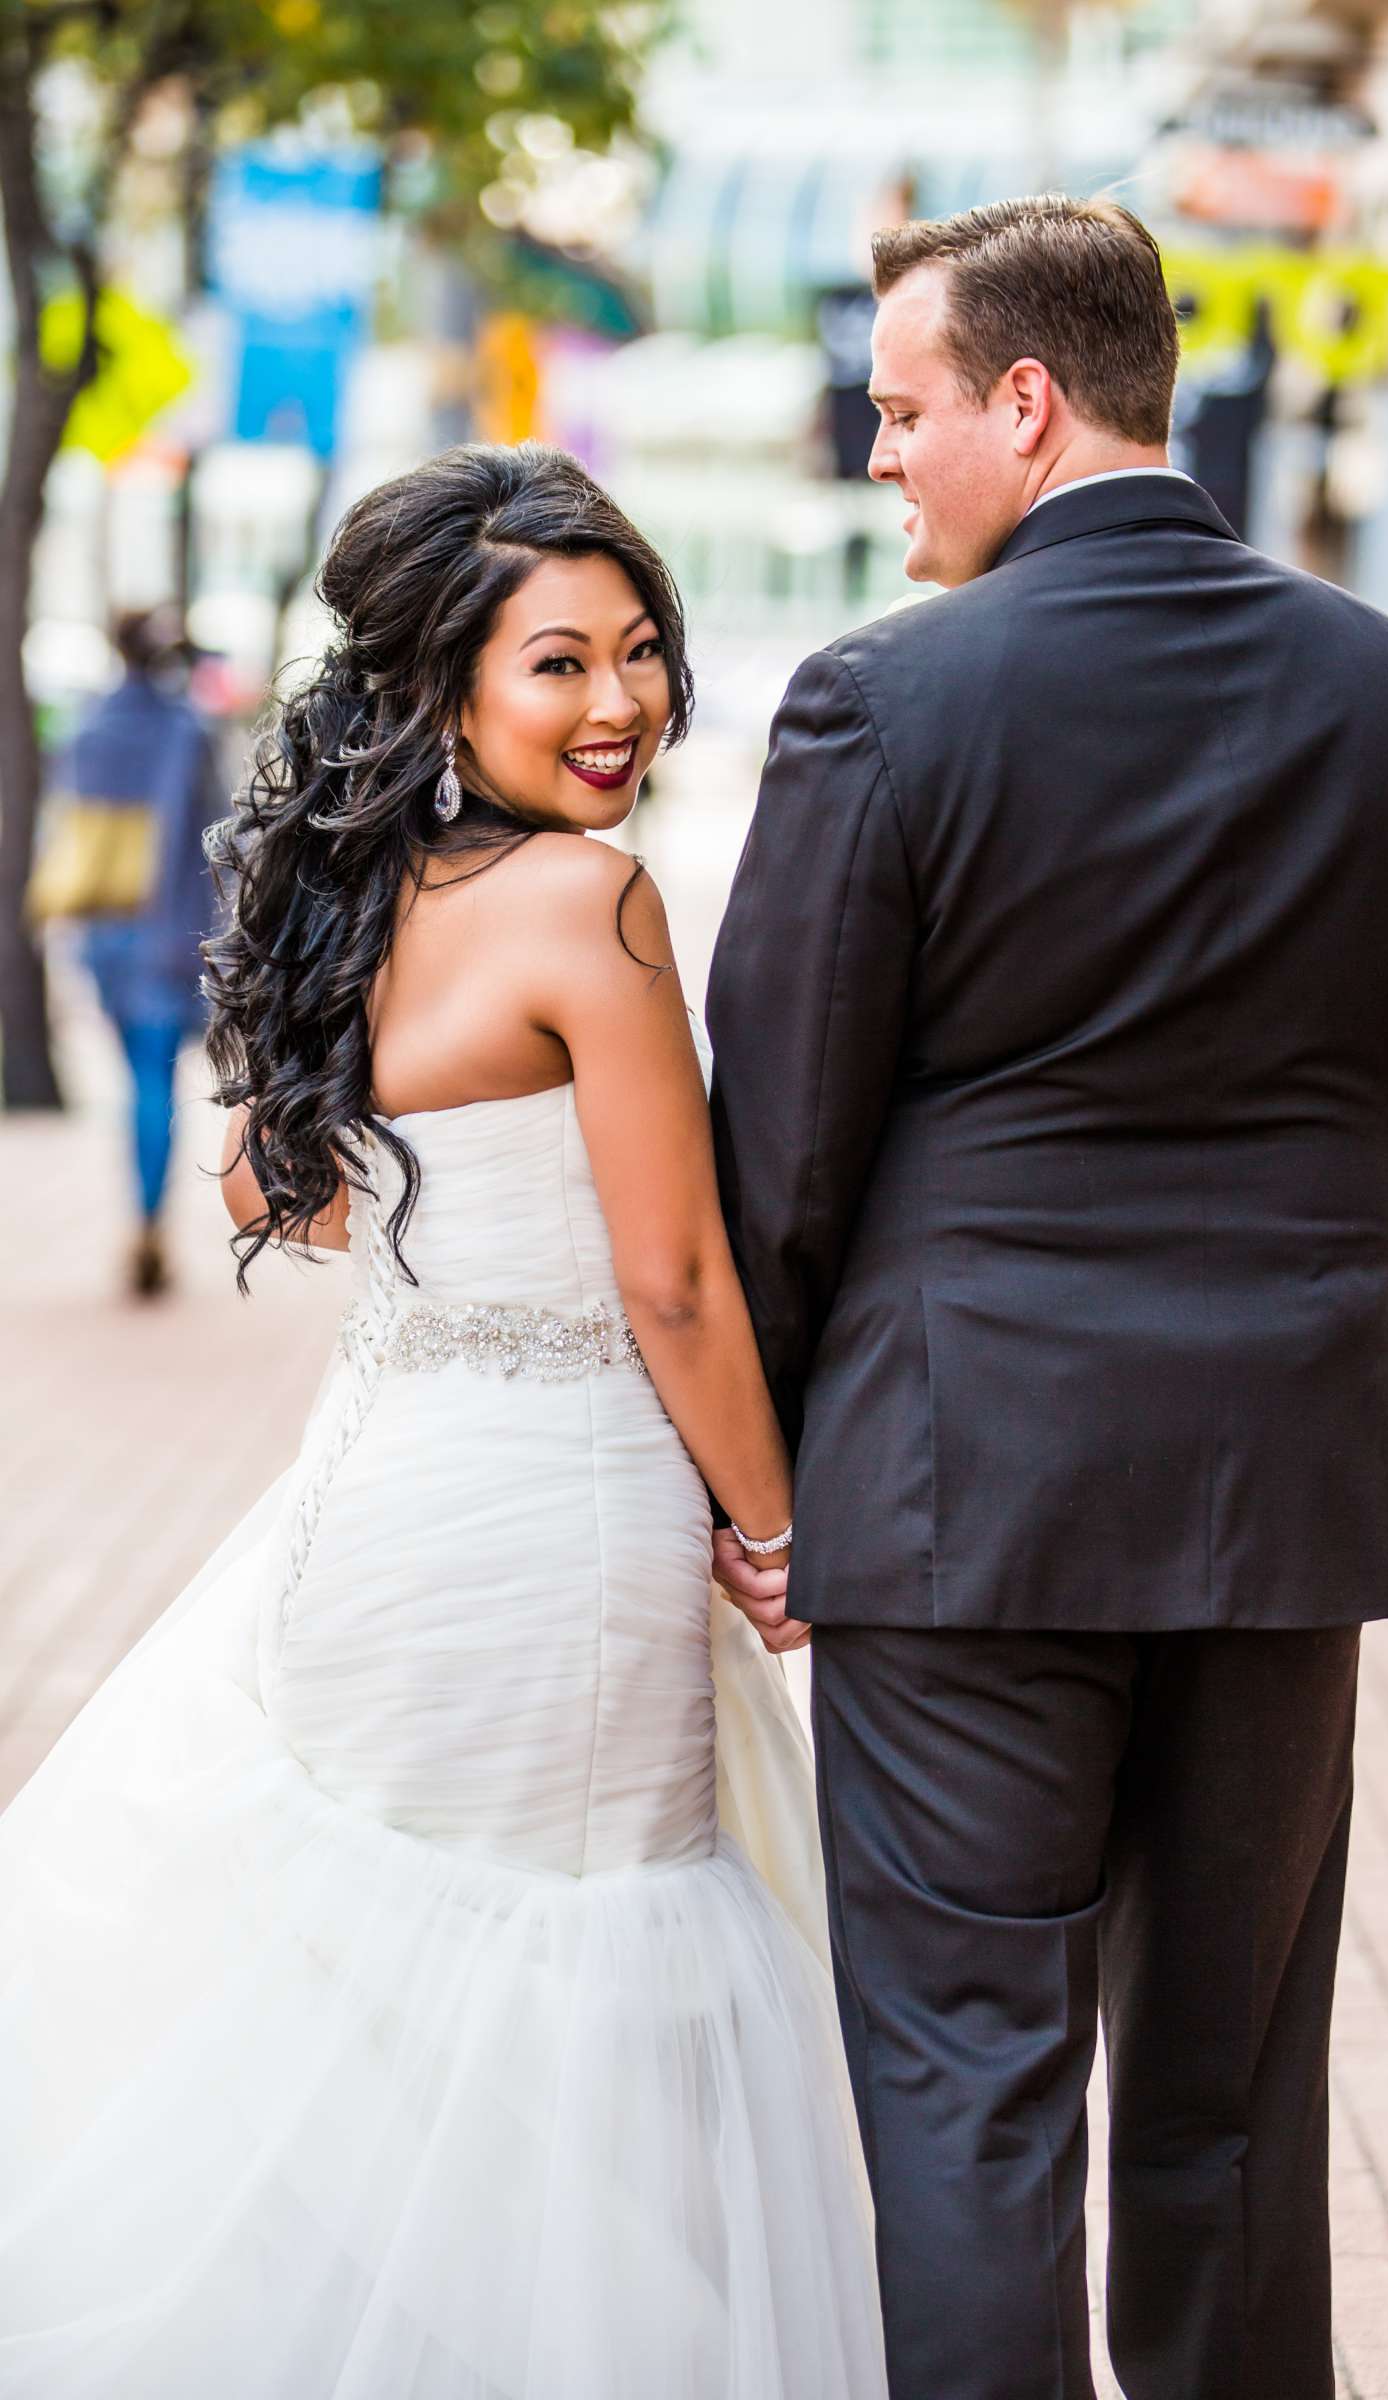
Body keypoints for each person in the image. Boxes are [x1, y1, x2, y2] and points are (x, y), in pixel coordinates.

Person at [707, 196, 1388, 2400]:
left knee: (972, 2091)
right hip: (1272, 1481)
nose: (873, 455)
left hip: (956, 1491)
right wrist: (1280, 1274)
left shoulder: (880, 703)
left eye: (896, 412)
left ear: (1021, 397)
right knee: (1228, 2100)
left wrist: (764, 1460)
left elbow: (777, 1154)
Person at [0, 446, 886, 2399]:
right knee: (570, 2014)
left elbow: (264, 1188)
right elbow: (670, 1284)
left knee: (388, 2015)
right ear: (441, 690)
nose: (620, 705)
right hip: (556, 1546)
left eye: (640, 653)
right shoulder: (594, 906)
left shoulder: (348, 899)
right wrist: (776, 1528)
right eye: (556, 664)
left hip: (366, 1514)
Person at [56, 607, 224, 1296]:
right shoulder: (187, 730)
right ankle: (150, 1224)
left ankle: (144, 1220)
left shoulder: (88, 727)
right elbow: (217, 839)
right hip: (167, 925)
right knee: (157, 1081)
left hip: (103, 928)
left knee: (137, 1078)